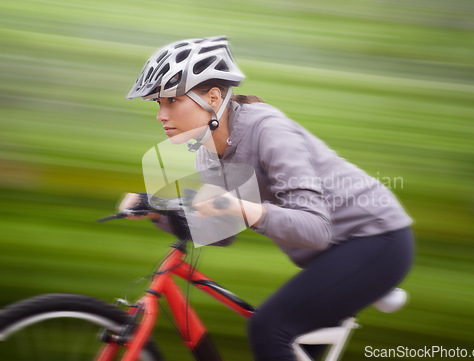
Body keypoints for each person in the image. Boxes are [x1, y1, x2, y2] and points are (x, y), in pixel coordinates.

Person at [120, 36, 414, 360]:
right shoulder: (208, 153)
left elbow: (315, 228)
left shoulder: (269, 130)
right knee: (288, 343)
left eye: (171, 101)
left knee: (269, 328)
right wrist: (157, 211)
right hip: (332, 256)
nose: (161, 115)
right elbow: (223, 233)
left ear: (213, 97)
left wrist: (239, 206)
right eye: (157, 104)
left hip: (376, 238)